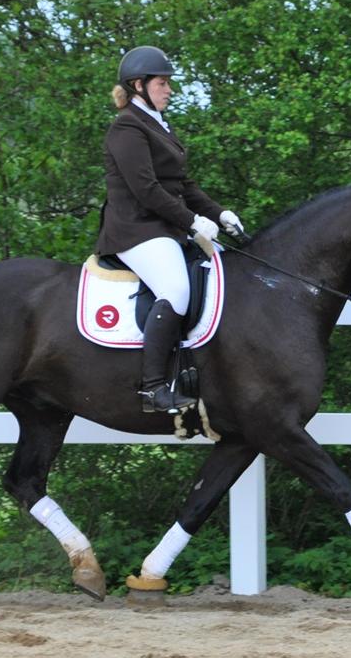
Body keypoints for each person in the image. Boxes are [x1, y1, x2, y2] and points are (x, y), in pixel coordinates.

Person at [96, 46, 245, 414]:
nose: (169, 90)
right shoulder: (126, 126)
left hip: (164, 227)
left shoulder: (157, 123)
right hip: (136, 230)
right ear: (138, 85)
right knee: (176, 289)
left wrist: (219, 213)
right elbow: (146, 189)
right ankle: (154, 390)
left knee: (224, 274)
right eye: (163, 83)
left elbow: (182, 184)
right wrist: (193, 222)